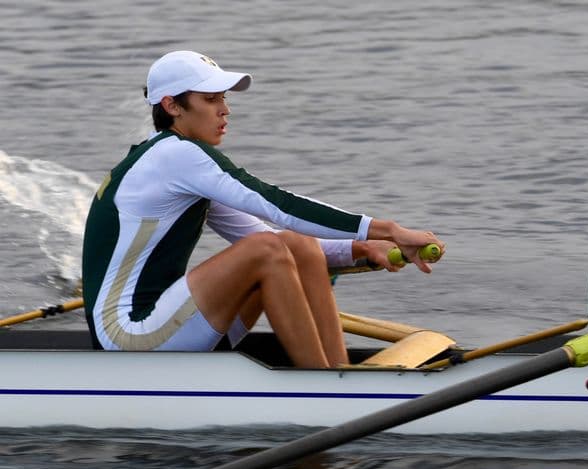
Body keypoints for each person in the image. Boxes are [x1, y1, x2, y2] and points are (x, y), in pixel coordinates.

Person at [82, 50, 445, 368]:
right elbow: (276, 204)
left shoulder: (173, 162)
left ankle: (337, 371)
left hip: (166, 326)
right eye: (210, 99)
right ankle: (324, 390)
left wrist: (361, 249)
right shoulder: (173, 155)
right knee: (270, 250)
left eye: (223, 98)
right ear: (172, 106)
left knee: (294, 244)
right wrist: (388, 229)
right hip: (128, 341)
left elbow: (266, 232)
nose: (224, 109)